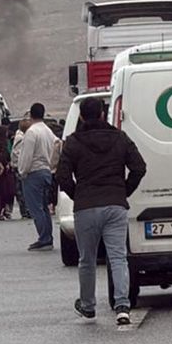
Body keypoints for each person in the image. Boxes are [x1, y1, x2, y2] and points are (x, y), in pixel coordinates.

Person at [56, 97, 147, 326]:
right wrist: (123, 190)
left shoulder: (73, 142)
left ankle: (88, 306)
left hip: (86, 207)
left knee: (86, 259)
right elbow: (139, 167)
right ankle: (123, 306)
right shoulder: (120, 138)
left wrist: (78, 194)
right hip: (115, 204)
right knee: (117, 256)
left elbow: (62, 176)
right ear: (103, 113)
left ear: (83, 117)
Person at [18, 103, 60, 251]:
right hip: (46, 171)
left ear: (31, 115)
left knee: (35, 208)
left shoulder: (31, 132)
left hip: (33, 173)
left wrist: (22, 172)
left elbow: (27, 155)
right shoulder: (48, 131)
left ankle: (44, 238)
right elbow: (57, 144)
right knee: (44, 208)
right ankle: (48, 236)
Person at [11, 119, 32, 219]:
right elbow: (19, 154)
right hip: (20, 167)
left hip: (18, 166)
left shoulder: (19, 137)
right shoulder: (21, 138)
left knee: (22, 190)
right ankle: (26, 210)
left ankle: (25, 210)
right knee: (23, 190)